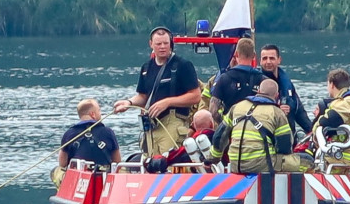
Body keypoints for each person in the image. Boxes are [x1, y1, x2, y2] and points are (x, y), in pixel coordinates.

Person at [113, 26, 201, 156]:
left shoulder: (183, 65)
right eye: (158, 44)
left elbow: (196, 96)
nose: (162, 46)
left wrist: (167, 102)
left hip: (172, 123)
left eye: (166, 43)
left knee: (168, 163)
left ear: (171, 43)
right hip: (151, 127)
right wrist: (128, 103)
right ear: (151, 44)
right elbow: (143, 96)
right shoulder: (146, 67)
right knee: (149, 163)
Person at [213, 78, 313, 173]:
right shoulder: (277, 113)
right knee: (308, 161)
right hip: (261, 165)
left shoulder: (236, 107)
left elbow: (219, 136)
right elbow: (285, 147)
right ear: (277, 95)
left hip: (235, 164)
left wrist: (213, 158)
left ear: (258, 91)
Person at [52, 98, 121, 187]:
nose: (101, 113)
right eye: (99, 110)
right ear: (93, 114)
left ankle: (64, 192)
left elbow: (62, 163)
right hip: (104, 178)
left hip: (78, 181)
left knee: (56, 171)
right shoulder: (108, 132)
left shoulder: (69, 134)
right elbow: (117, 160)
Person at [309, 68, 350, 172]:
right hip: (338, 155)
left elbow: (330, 120)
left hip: (343, 157)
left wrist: (316, 127)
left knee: (303, 165)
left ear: (332, 84)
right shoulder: (343, 101)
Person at [259, 44, 314, 136]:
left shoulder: (287, 83)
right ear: (260, 61)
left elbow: (299, 111)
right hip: (267, 138)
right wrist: (277, 111)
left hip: (289, 137)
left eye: (272, 58)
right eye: (264, 58)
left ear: (279, 60)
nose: (268, 62)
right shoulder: (256, 83)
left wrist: (312, 131)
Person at [209, 38, 264, 123]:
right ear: (254, 55)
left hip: (232, 129)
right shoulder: (263, 80)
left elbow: (213, 111)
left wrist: (224, 124)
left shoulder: (224, 78)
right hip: (255, 129)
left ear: (236, 54)